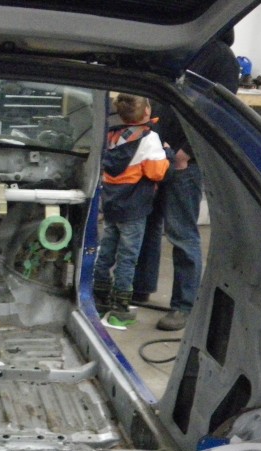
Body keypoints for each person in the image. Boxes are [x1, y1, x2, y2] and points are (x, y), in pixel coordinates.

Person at [132, 29, 240, 331]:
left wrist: (187, 153)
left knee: (181, 232)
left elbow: (220, 113)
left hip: (183, 160)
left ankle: (184, 305)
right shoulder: (181, 50)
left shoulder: (221, 58)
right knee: (148, 223)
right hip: (156, 152)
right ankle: (140, 288)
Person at [92, 93, 171, 327]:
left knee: (106, 251)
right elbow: (156, 172)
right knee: (127, 258)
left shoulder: (111, 135)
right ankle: (120, 307)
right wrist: (167, 154)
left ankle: (98, 296)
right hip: (134, 209)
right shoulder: (149, 138)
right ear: (147, 111)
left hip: (112, 205)